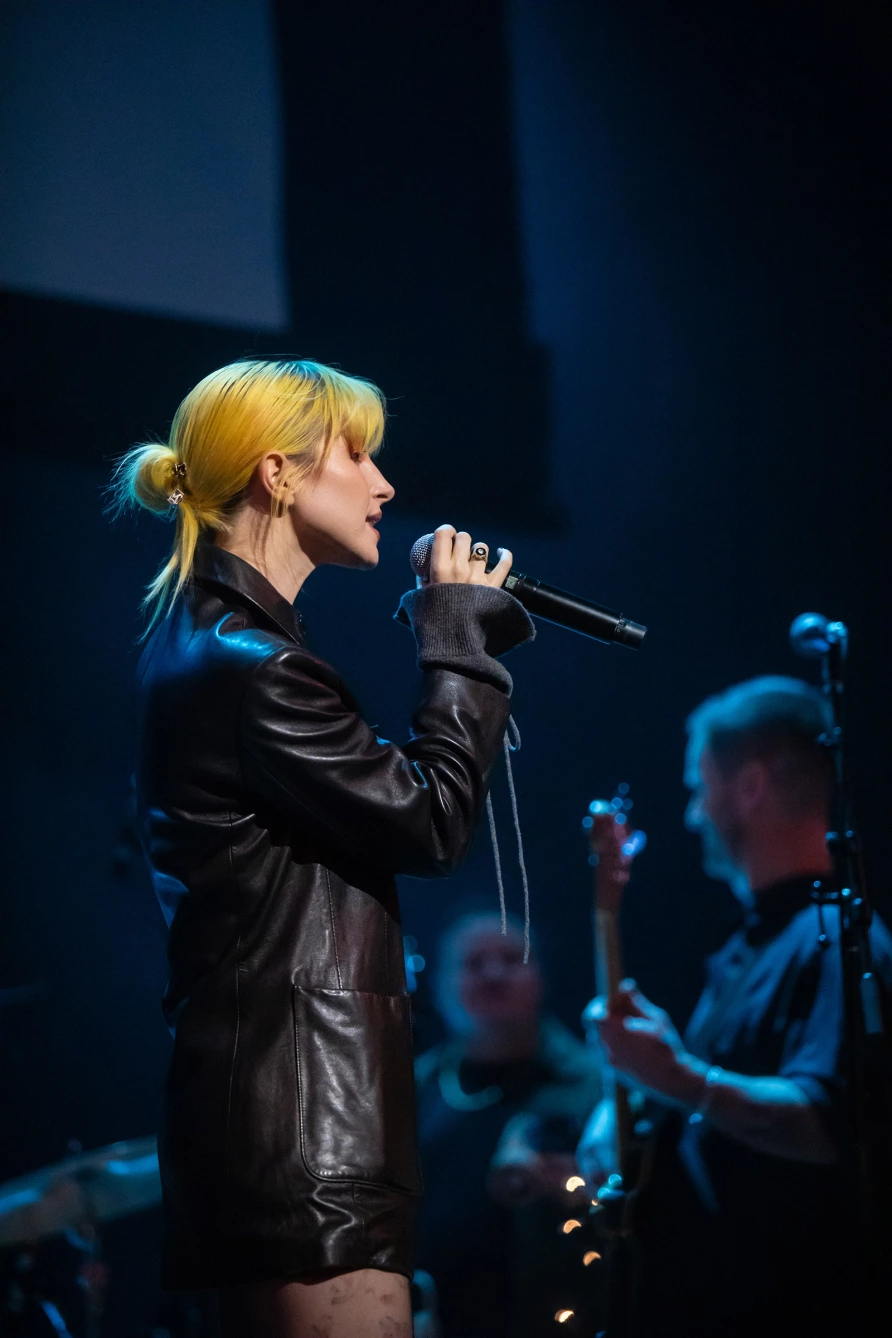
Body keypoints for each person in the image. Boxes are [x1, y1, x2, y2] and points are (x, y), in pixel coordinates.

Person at [109, 359, 535, 1338]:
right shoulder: (253, 670)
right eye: (357, 453)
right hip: (308, 1134)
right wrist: (457, 644)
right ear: (278, 473)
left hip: (284, 1122)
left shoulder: (220, 650)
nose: (384, 484)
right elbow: (431, 822)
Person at [578, 675, 892, 1337]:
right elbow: (713, 1109)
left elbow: (827, 1122)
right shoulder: (754, 946)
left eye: (700, 788)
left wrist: (679, 1078)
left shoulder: (837, 937)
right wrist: (646, 1094)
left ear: (749, 786)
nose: (693, 814)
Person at [414, 910, 603, 1338]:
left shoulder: (598, 1088)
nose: (493, 974)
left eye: (512, 958)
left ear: (541, 978)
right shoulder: (412, 1087)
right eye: (473, 963)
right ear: (443, 985)